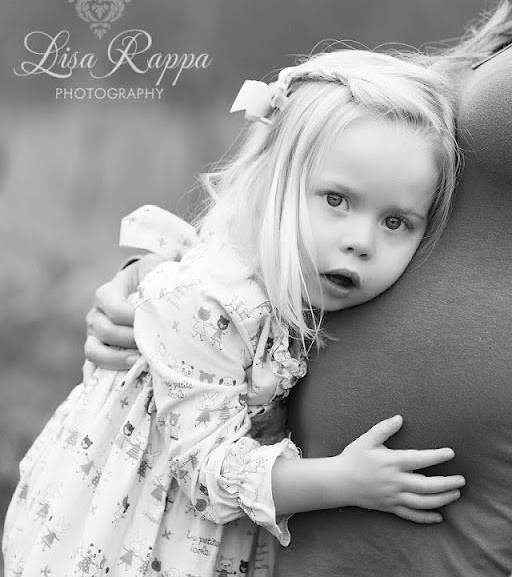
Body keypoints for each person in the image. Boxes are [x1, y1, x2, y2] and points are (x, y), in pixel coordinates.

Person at [2, 49, 465, 577]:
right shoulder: (210, 302)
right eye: (336, 200)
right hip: (122, 547)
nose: (361, 241)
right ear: (271, 183)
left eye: (396, 222)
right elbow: (206, 473)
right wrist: (346, 481)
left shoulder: (295, 294)